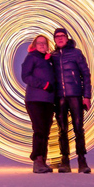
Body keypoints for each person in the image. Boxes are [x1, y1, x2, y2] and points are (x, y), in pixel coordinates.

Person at [51, 27, 92, 173]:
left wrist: (87, 96)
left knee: (78, 128)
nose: (60, 38)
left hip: (75, 96)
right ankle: (65, 161)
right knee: (62, 130)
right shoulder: (53, 56)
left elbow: (86, 75)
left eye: (62, 36)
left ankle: (82, 161)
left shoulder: (76, 53)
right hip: (59, 97)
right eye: (57, 36)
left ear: (67, 38)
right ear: (54, 39)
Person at [20, 34, 56, 173]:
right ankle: (37, 160)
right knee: (39, 130)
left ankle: (43, 161)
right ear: (34, 45)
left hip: (48, 101)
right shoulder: (31, 57)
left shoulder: (48, 60)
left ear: (47, 46)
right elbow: (26, 76)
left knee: (45, 131)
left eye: (44, 43)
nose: (42, 45)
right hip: (35, 100)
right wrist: (44, 85)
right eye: (39, 43)